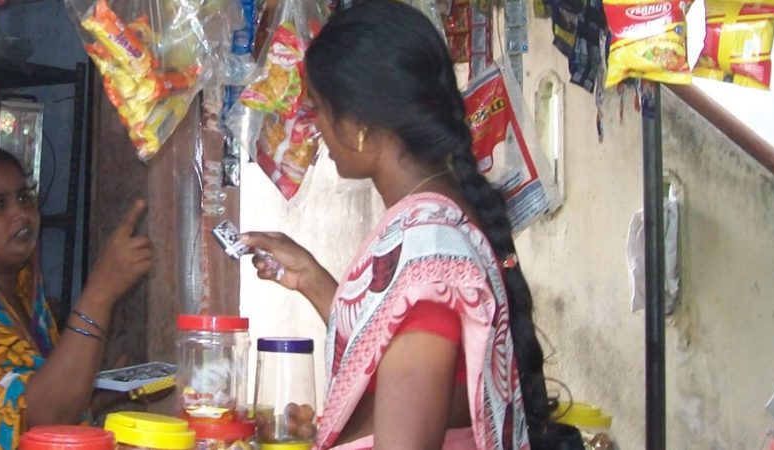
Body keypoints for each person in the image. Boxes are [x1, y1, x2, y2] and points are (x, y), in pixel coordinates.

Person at [240, 2, 583, 449]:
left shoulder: (428, 258)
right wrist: (313, 279)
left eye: (319, 108)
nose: (314, 126)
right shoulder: (443, 221)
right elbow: (396, 346)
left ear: (360, 125)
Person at [0, 147, 152, 449]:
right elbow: (42, 417)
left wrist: (99, 395)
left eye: (24, 198)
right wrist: (100, 294)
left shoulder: (23, 300)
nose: (20, 214)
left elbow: (34, 399)